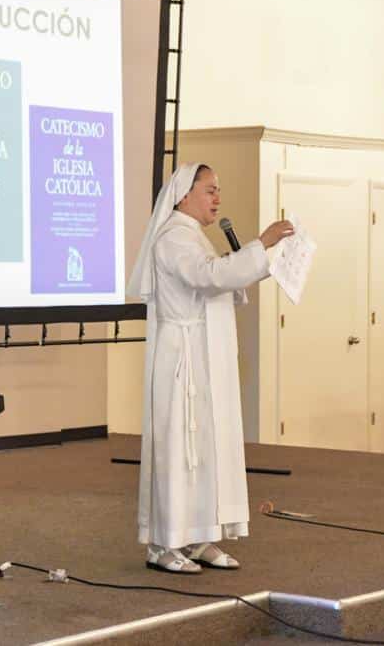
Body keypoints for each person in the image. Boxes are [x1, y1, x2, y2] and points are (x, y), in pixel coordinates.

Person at [127, 162, 294, 574]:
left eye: (219, 190)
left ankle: (198, 535)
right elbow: (206, 276)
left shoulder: (194, 236)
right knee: (178, 448)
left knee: (205, 448)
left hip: (204, 360)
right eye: (210, 190)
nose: (217, 198)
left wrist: (250, 265)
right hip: (181, 360)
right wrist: (261, 245)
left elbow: (214, 282)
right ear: (183, 195)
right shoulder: (172, 238)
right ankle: (163, 544)